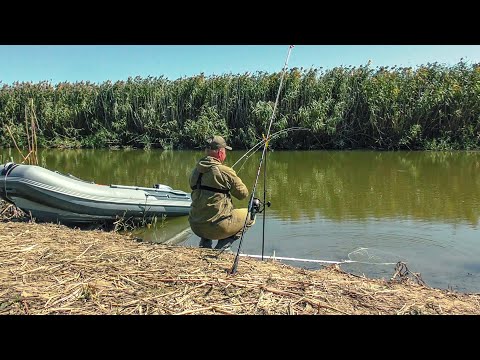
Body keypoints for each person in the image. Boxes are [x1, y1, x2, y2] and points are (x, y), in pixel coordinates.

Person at [188, 135, 255, 251]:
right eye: (225, 151)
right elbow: (243, 194)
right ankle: (223, 245)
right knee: (251, 216)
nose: (225, 154)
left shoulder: (195, 171)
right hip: (217, 227)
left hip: (195, 225)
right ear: (220, 152)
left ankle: (205, 244)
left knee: (206, 207)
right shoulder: (225, 171)